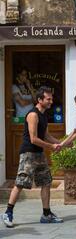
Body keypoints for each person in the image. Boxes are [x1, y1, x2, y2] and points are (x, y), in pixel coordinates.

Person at [1, 87, 63, 228]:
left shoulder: (44, 115)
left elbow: (46, 135)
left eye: (51, 99)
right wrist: (51, 147)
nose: (51, 101)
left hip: (39, 153)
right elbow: (34, 139)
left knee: (46, 181)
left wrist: (60, 143)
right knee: (21, 182)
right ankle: (8, 212)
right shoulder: (33, 115)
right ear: (40, 100)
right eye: (48, 99)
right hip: (28, 153)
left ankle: (46, 214)